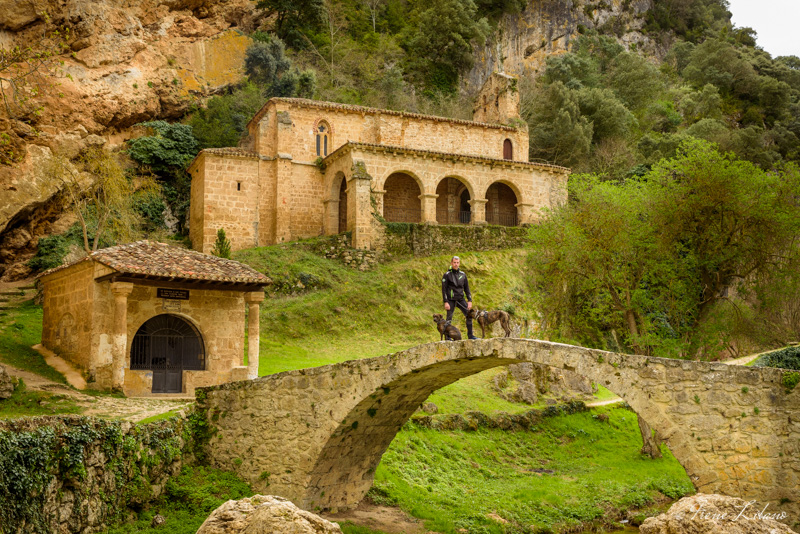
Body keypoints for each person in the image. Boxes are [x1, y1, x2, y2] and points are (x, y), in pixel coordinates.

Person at [441, 256, 478, 340]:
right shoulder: (447, 275)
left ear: (459, 263)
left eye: (457, 263)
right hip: (450, 300)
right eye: (454, 262)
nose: (456, 264)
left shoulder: (463, 274)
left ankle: (471, 336)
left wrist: (469, 300)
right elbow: (444, 289)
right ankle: (447, 338)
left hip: (461, 299)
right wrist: (445, 301)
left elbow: (467, 288)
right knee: (449, 319)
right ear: (451, 263)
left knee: (469, 315)